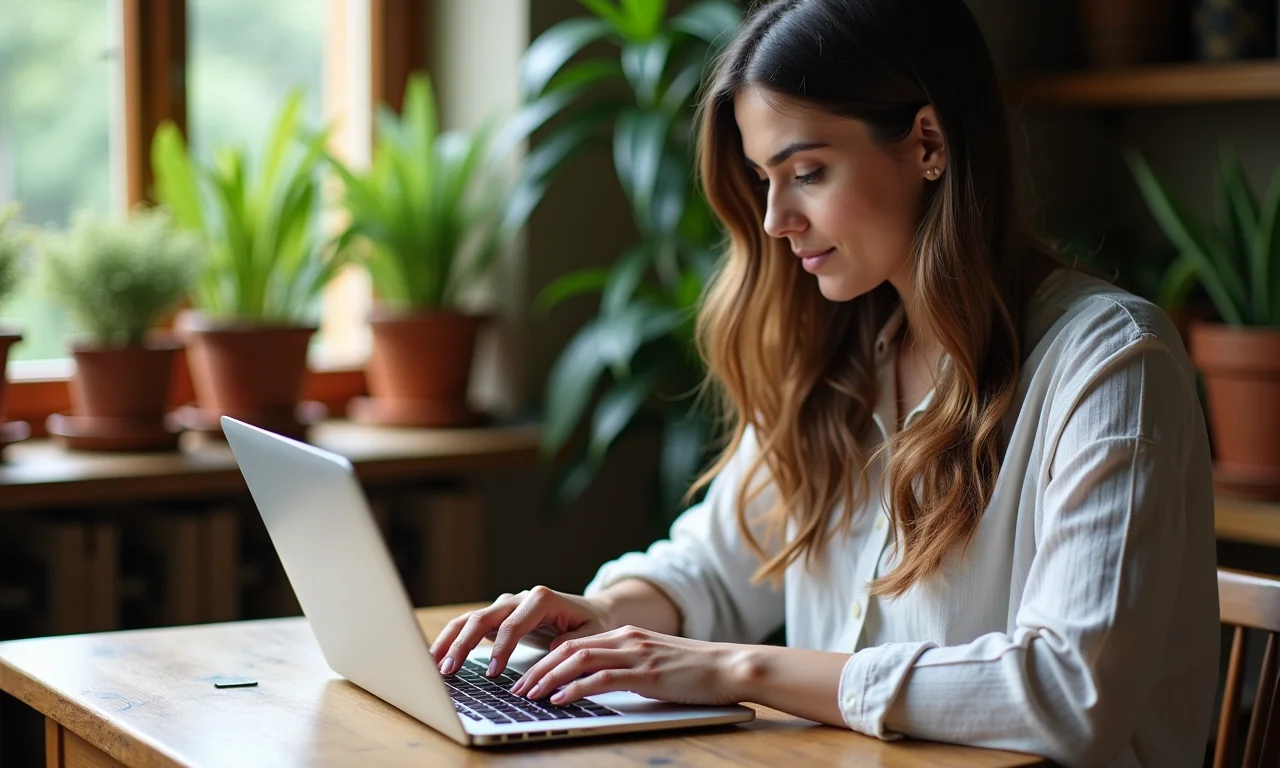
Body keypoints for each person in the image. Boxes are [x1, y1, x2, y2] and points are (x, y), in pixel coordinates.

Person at [430, 1, 1219, 764]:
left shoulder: (1113, 364)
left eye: (806, 171)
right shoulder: (845, 361)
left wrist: (736, 668)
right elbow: (713, 565)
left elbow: (1069, 694)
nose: (774, 219)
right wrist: (602, 615)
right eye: (762, 178)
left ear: (929, 143)